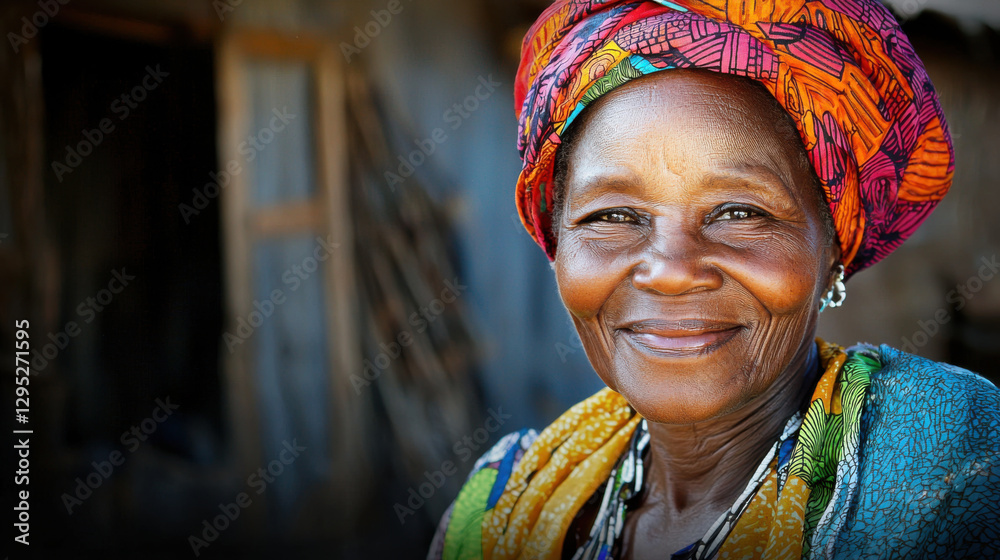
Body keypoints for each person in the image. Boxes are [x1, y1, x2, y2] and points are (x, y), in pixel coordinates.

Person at [428, 1, 1000, 558]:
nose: (672, 272)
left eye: (739, 213)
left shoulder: (945, 465)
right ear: (556, 247)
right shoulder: (501, 505)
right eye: (613, 216)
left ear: (832, 248)